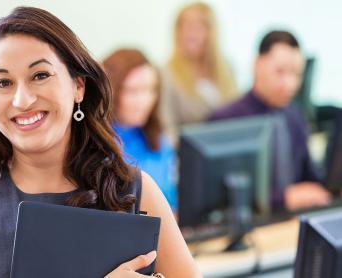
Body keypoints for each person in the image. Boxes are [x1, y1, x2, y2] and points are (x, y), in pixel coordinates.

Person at [0, 7, 200, 278]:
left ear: (78, 86)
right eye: (3, 83)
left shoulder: (133, 188)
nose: (22, 100)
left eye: (40, 76)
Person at [208, 30, 331, 211]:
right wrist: (283, 198)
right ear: (257, 65)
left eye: (296, 74)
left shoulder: (295, 117)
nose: (289, 83)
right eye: (280, 72)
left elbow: (310, 176)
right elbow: (220, 195)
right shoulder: (225, 120)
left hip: (292, 221)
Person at [103, 49, 178, 212]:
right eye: (133, 91)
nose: (144, 101)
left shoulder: (159, 141)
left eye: (151, 90)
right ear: (111, 91)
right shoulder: (97, 145)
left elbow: (173, 203)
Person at [161, 2, 237, 139]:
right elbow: (167, 128)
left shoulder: (227, 68)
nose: (191, 32)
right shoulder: (166, 74)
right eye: (185, 25)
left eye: (200, 25)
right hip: (189, 155)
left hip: (228, 149)